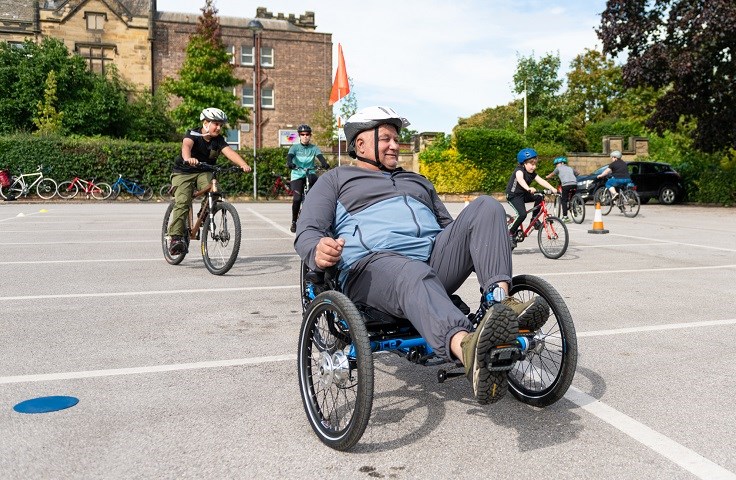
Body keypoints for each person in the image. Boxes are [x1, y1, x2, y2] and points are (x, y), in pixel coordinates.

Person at [294, 106, 549, 405]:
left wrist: (484, 235)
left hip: (432, 262)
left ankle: (500, 306)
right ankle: (466, 347)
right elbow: (307, 230)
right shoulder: (336, 180)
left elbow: (450, 228)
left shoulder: (418, 181)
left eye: (396, 139)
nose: (394, 145)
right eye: (386, 138)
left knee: (487, 207)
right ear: (360, 144)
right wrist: (317, 248)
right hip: (374, 267)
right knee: (411, 272)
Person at [167, 107, 252, 255]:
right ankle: (175, 238)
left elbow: (229, 152)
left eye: (221, 125)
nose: (219, 128)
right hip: (184, 171)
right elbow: (186, 146)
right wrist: (188, 159)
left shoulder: (218, 140)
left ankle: (205, 213)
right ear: (205, 123)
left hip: (203, 171)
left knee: (214, 189)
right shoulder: (192, 134)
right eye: (216, 124)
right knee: (183, 200)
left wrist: (243, 164)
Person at [506, 148, 557, 246]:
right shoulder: (519, 170)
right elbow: (520, 179)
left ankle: (534, 219)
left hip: (523, 194)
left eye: (535, 164)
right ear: (524, 163)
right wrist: (528, 188)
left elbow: (541, 180)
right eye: (531, 164)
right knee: (522, 214)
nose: (534, 166)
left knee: (539, 196)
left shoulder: (532, 173)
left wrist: (552, 188)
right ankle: (510, 233)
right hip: (513, 195)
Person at [287, 124, 330, 233]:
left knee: (317, 194)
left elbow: (320, 157)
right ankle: (294, 221)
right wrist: (290, 163)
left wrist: (324, 163)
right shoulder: (295, 147)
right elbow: (290, 157)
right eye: (303, 134)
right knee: (297, 198)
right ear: (299, 136)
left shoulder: (314, 148)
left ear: (310, 136)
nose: (305, 136)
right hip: (297, 174)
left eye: (307, 134)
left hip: (310, 173)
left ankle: (317, 218)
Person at [545, 156, 579, 223]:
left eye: (556, 164)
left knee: (564, 200)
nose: (556, 166)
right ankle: (574, 206)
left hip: (566, 185)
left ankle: (565, 217)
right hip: (574, 184)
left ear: (560, 163)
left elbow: (552, 174)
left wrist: (547, 177)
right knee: (572, 198)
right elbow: (577, 173)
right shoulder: (570, 168)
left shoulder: (558, 168)